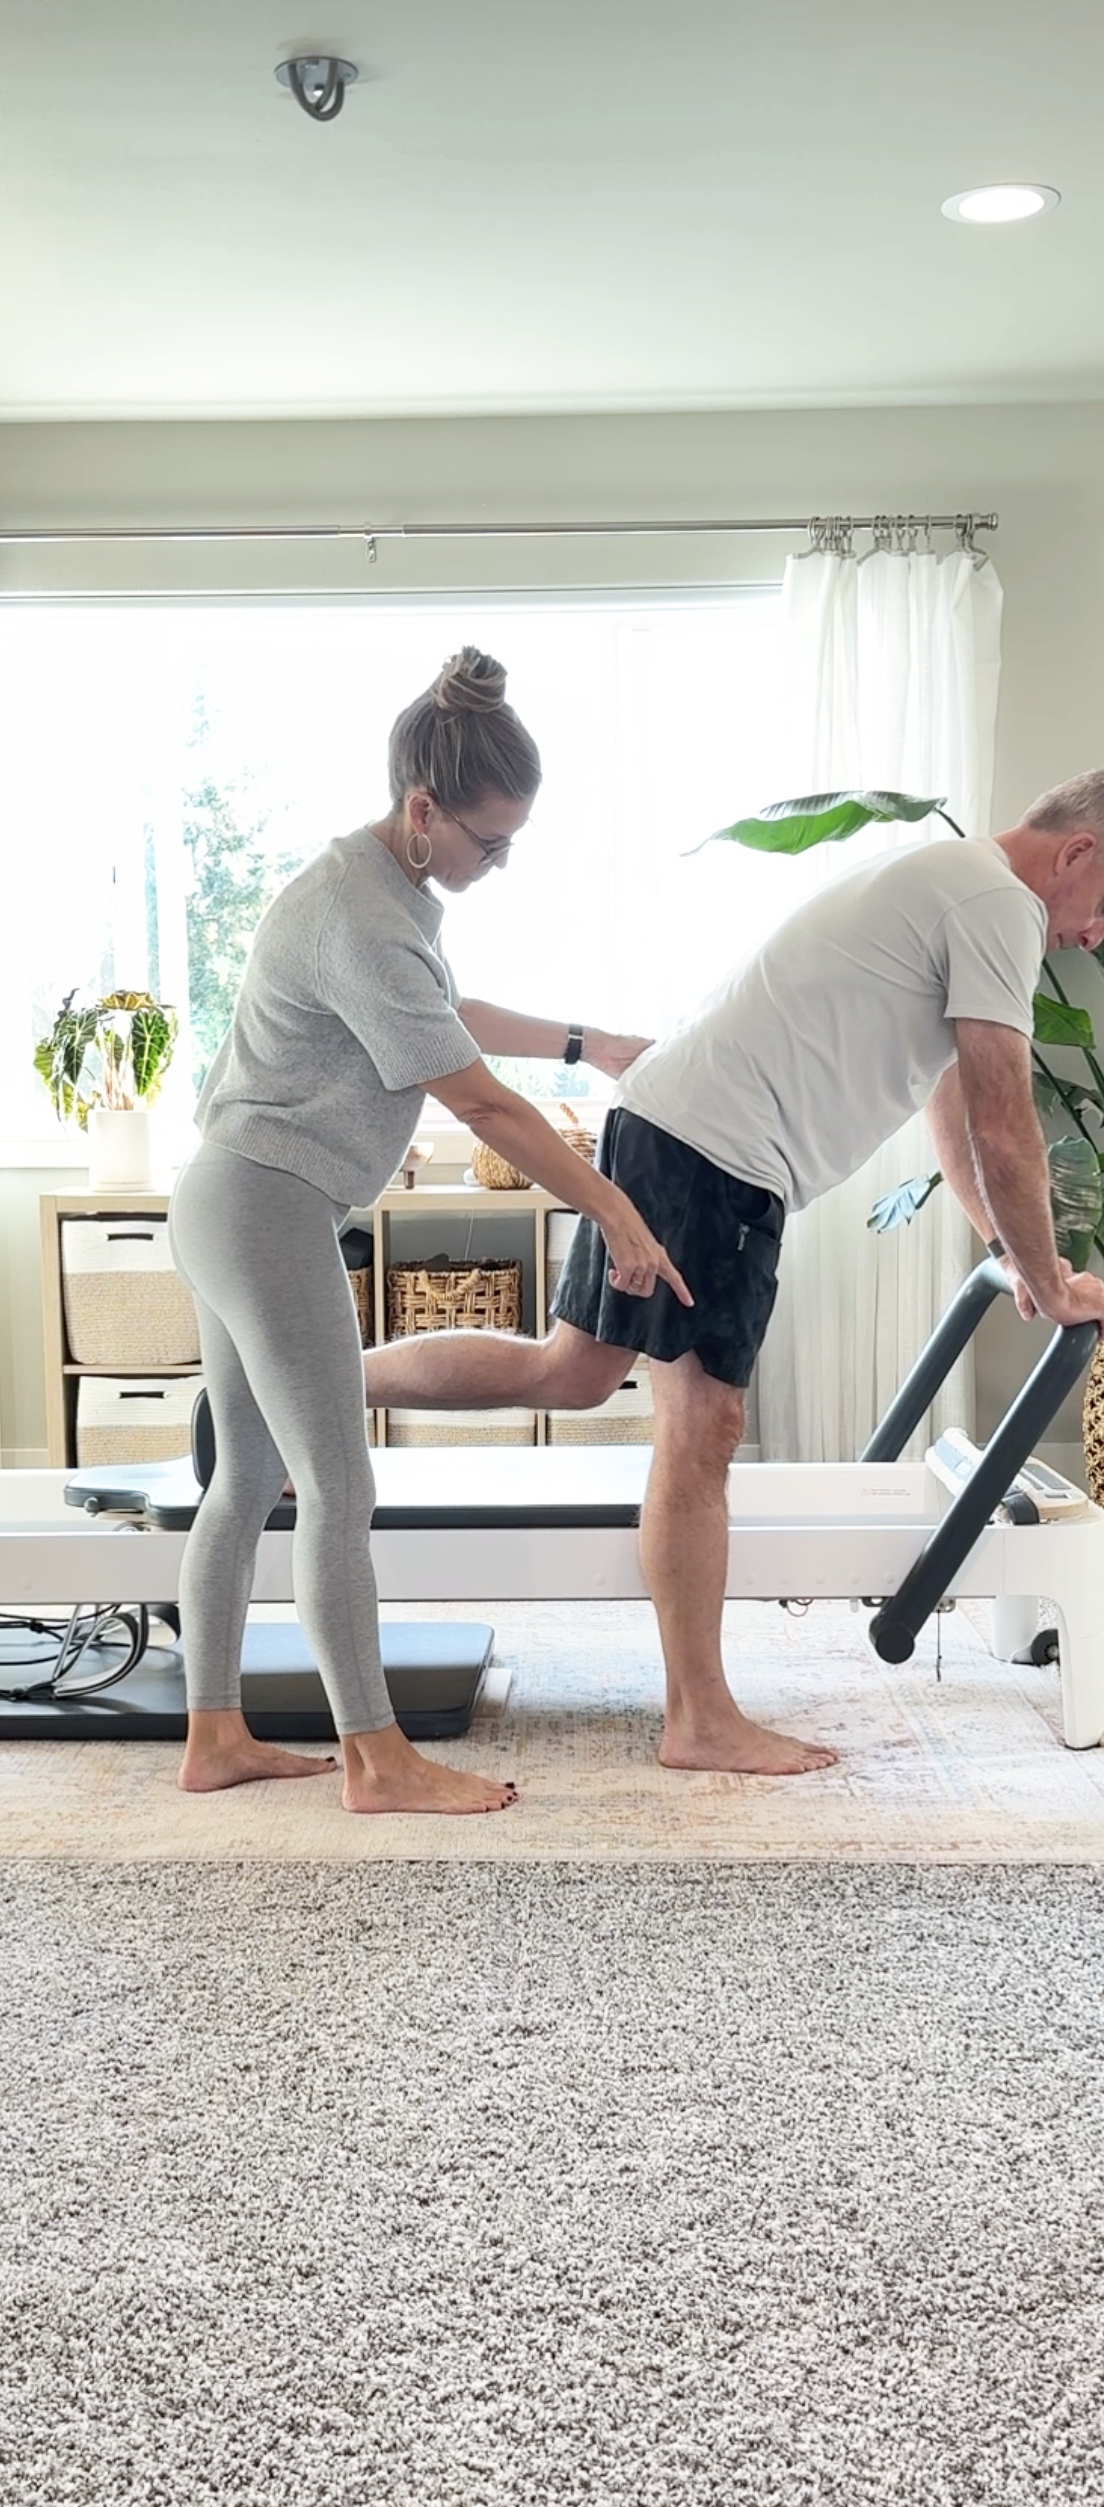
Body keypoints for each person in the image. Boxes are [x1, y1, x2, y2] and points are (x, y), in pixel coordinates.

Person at [362, 767, 1104, 1778]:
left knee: (568, 1373)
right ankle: (698, 1718)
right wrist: (1055, 1282)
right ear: (1077, 851)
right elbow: (1008, 1128)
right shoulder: (996, 905)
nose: (1097, 933)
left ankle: (323, 1375)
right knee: (703, 1427)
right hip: (716, 1157)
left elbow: (955, 1099)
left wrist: (1012, 1251)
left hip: (676, 1130)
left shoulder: (958, 883)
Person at [168, 646, 691, 1816]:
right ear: (423, 808)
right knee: (335, 1486)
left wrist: (586, 1041)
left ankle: (215, 1737)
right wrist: (613, 1205)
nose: (496, 863)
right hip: (266, 1205)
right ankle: (377, 1759)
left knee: (247, 1476)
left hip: (231, 1195)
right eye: (487, 842)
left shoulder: (382, 889)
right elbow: (479, 1101)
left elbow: (446, 1012)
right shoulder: (360, 911)